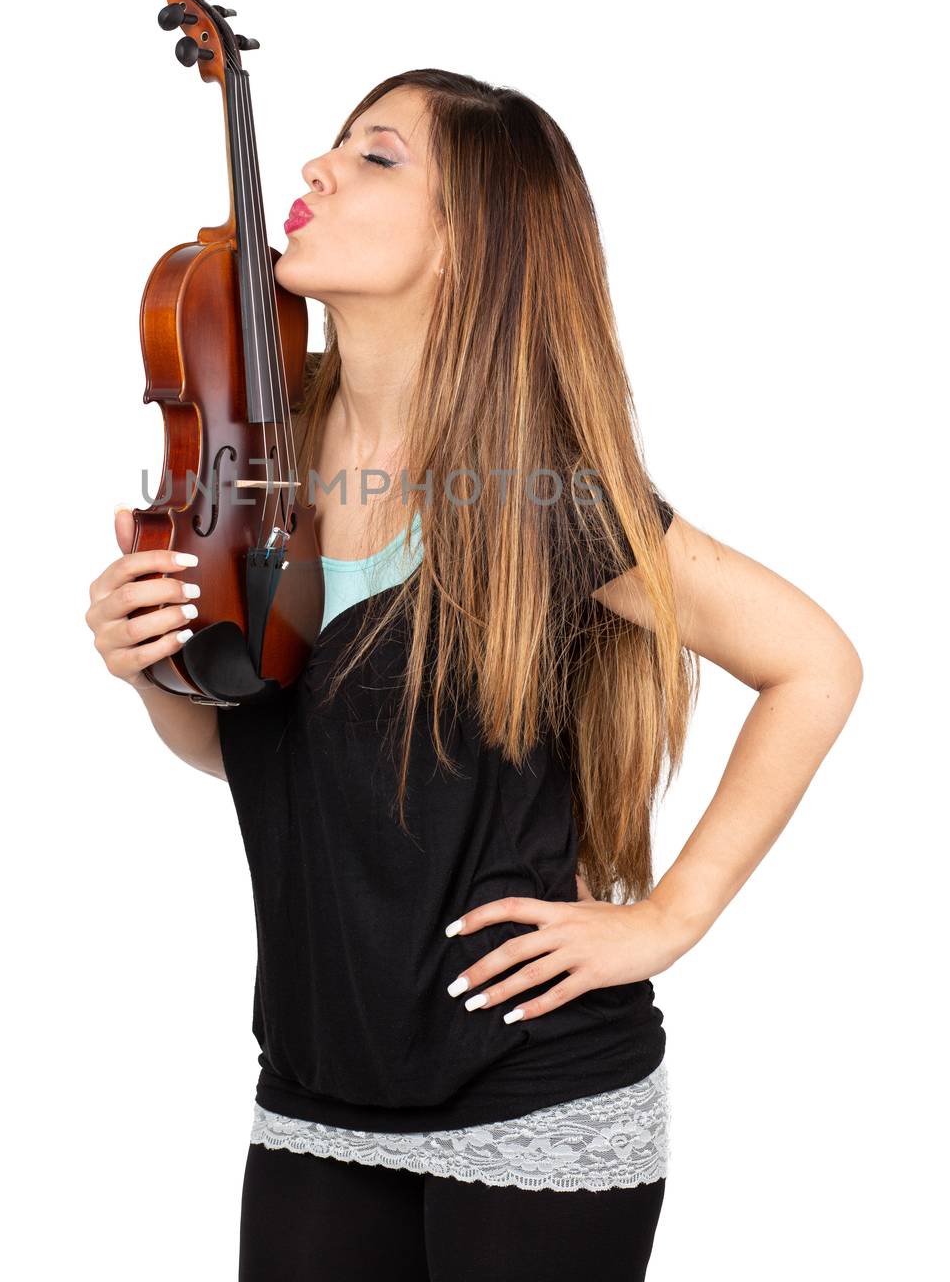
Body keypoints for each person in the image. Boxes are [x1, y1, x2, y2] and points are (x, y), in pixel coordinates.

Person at [86, 69, 863, 1280]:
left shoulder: (540, 494)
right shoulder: (258, 453)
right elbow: (239, 737)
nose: (314, 170)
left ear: (467, 243)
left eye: (377, 156)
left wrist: (668, 919)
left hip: (533, 1098)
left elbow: (815, 662)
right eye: (335, 144)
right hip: (313, 1090)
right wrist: (154, 670)